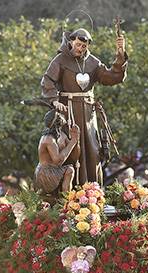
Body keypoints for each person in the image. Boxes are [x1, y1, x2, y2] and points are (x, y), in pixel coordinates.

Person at [41, 28, 127, 185]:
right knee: (71, 150)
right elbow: (47, 80)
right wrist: (54, 100)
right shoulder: (60, 60)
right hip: (67, 112)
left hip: (88, 114)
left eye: (84, 46)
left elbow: (112, 77)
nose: (80, 48)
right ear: (71, 41)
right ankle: (69, 195)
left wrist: (120, 54)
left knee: (93, 151)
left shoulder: (93, 62)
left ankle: (92, 192)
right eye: (78, 44)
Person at [34, 110, 80, 194]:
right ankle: (66, 199)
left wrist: (76, 139)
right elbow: (57, 160)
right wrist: (73, 141)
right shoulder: (48, 139)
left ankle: (66, 199)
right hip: (46, 174)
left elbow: (73, 152)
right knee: (70, 170)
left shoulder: (62, 135)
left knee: (70, 169)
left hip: (56, 170)